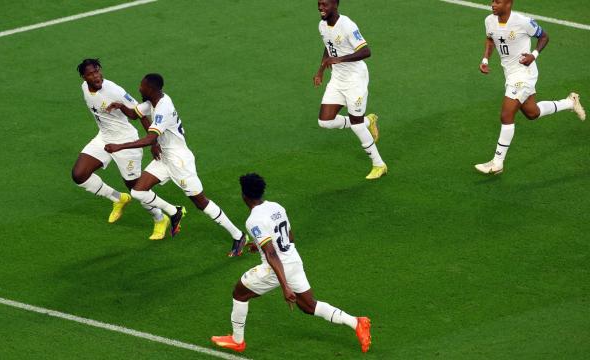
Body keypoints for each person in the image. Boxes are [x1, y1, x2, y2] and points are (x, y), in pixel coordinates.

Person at [211, 173, 372, 353]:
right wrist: (259, 245)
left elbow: (271, 254)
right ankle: (356, 322)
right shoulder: (276, 207)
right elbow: (289, 236)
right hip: (293, 259)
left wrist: (285, 286)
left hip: (276, 268)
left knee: (240, 293)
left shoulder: (253, 220)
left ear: (244, 196)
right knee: (308, 305)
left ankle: (237, 340)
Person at [105, 73, 248, 256]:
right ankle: (174, 211)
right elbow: (134, 114)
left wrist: (119, 146)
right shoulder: (153, 102)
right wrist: (120, 106)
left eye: (142, 86)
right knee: (138, 191)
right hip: (165, 157)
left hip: (180, 161)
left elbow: (150, 138)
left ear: (151, 89)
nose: (139, 88)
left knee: (200, 202)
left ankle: (238, 235)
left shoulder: (164, 108)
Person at [475, 0, 585, 175]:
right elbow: (490, 38)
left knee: (506, 114)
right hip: (510, 74)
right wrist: (485, 59)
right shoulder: (489, 20)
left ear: (508, 3)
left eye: (497, 1)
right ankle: (570, 102)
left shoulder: (522, 21)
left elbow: (544, 36)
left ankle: (497, 163)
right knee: (532, 113)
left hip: (524, 74)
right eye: (492, 1)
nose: (492, 4)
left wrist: (533, 55)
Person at [72, 59, 169, 240]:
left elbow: (141, 113)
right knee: (79, 174)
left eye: (97, 71)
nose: (96, 76)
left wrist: (153, 143)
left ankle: (160, 218)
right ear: (84, 77)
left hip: (126, 142)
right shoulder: (84, 88)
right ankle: (118, 198)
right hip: (104, 138)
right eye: (91, 74)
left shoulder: (114, 90)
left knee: (136, 188)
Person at [314, 0, 387, 180]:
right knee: (325, 121)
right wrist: (321, 70)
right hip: (338, 79)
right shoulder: (322, 25)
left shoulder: (347, 25)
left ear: (335, 5)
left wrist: (339, 60)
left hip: (355, 79)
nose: (321, 8)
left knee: (356, 124)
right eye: (319, 4)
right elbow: (328, 45)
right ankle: (368, 122)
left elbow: (366, 51)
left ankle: (379, 164)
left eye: (325, 5)